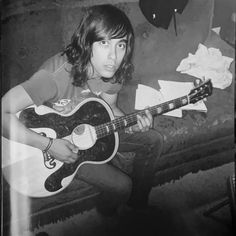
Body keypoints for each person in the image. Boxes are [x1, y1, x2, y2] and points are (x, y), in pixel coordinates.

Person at [2, 4, 163, 216]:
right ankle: (107, 210)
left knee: (154, 139)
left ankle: (137, 205)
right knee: (122, 187)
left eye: (121, 45)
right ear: (88, 42)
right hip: (54, 146)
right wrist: (50, 145)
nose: (113, 56)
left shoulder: (113, 72)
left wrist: (132, 126)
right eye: (104, 43)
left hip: (92, 130)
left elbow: (110, 108)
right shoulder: (54, 77)